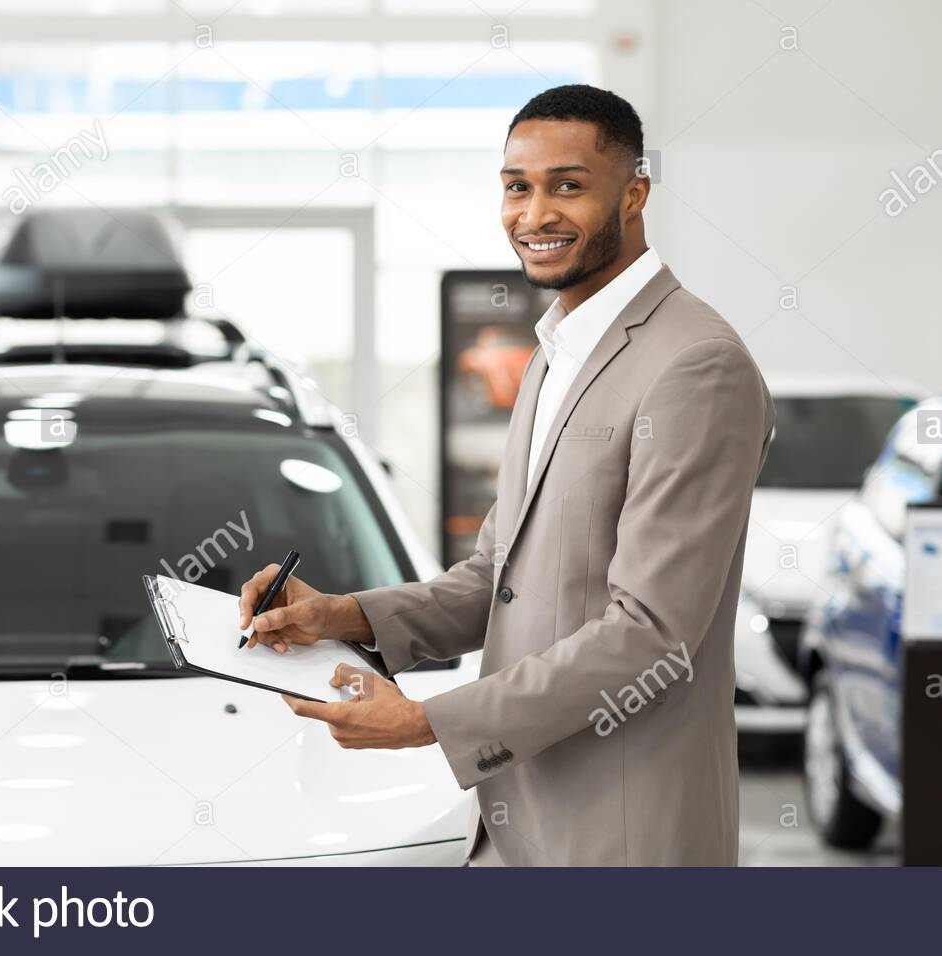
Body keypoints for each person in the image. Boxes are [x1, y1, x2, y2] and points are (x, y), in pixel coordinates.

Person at [237, 84, 774, 866]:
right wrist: (338, 615)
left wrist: (429, 722)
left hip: (624, 839)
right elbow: (498, 578)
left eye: (568, 185)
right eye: (517, 186)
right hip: (513, 827)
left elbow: (652, 634)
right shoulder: (557, 351)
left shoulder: (696, 365)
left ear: (634, 193)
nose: (535, 214)